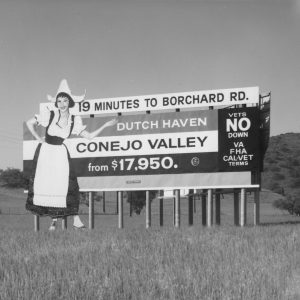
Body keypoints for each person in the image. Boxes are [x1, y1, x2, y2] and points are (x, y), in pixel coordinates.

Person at [26, 79, 117, 230]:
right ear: (56, 102)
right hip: (46, 152)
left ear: (70, 102)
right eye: (59, 100)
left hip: (60, 152)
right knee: (49, 185)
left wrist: (105, 125)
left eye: (65, 100)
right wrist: (38, 139)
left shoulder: (75, 120)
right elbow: (30, 123)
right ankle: (54, 221)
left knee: (68, 184)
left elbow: (89, 136)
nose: (62, 103)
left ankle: (75, 219)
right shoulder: (49, 115)